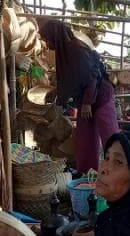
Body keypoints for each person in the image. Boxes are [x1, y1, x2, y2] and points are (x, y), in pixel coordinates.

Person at [38, 20, 119, 172]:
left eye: (47, 39)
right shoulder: (65, 52)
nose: (47, 44)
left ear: (55, 36)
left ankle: (120, 169)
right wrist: (56, 92)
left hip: (100, 96)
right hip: (85, 100)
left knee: (110, 136)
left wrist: (88, 102)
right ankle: (88, 173)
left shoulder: (76, 49)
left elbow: (92, 76)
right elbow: (73, 79)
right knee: (85, 139)